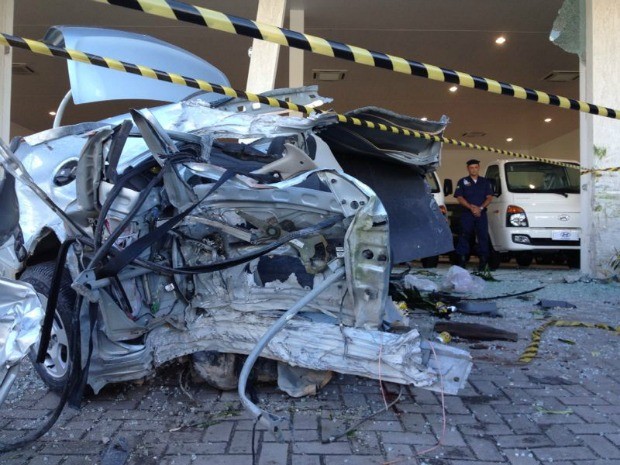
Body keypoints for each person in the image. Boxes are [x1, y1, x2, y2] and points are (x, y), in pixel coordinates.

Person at [454, 159, 494, 270]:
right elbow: (459, 197)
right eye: (471, 167)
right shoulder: (462, 181)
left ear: (479, 168)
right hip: (467, 214)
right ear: (468, 169)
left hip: (481, 214)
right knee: (464, 236)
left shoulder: (485, 182)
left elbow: (489, 197)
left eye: (476, 167)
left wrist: (480, 208)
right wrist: (471, 207)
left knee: (483, 236)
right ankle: (462, 263)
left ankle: (483, 263)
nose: (474, 169)